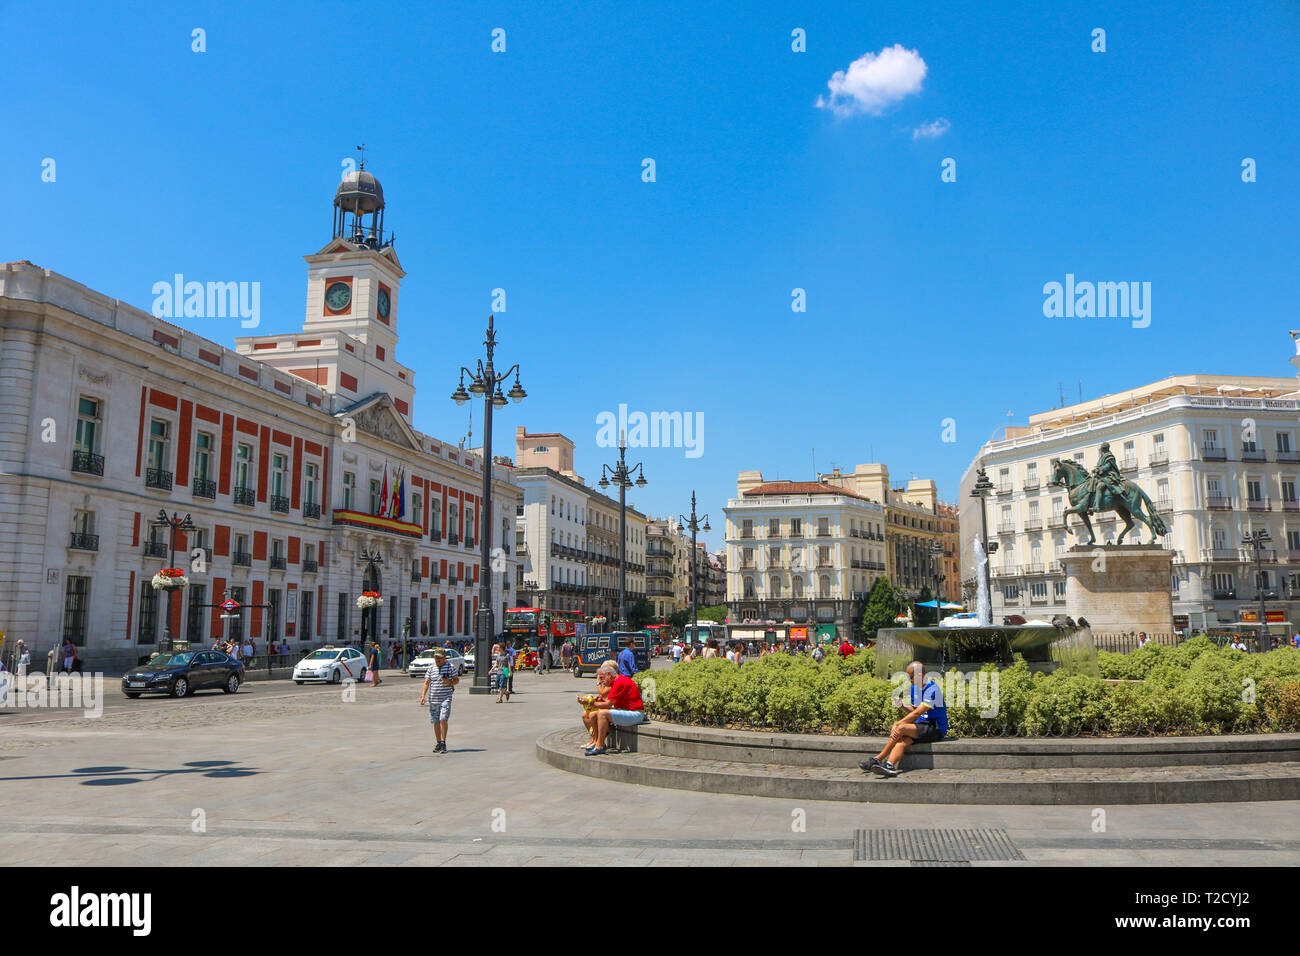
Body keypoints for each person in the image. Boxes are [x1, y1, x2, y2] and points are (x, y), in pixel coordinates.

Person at [861, 661, 947, 778]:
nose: (909, 680)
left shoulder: (932, 690)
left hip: (935, 727)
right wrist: (902, 705)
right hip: (921, 726)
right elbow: (914, 710)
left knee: (900, 728)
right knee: (902, 742)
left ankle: (877, 759)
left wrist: (899, 723)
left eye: (910, 677)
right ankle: (890, 766)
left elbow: (917, 713)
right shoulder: (914, 688)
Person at [583, 660, 645, 755]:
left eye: (602, 678)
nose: (602, 682)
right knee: (592, 714)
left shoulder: (620, 682)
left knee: (602, 713)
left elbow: (607, 705)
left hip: (635, 713)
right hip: (625, 710)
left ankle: (599, 746)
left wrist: (590, 703)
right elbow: (609, 702)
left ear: (609, 675)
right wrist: (598, 701)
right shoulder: (616, 682)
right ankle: (596, 742)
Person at [419, 650, 459, 754]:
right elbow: (426, 683)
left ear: (444, 658)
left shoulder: (451, 667)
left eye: (440, 658)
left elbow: (456, 680)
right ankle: (438, 743)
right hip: (433, 699)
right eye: (436, 658)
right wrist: (423, 696)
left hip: (446, 698)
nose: (438, 660)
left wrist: (449, 682)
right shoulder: (431, 668)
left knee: (443, 719)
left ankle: (443, 742)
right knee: (435, 721)